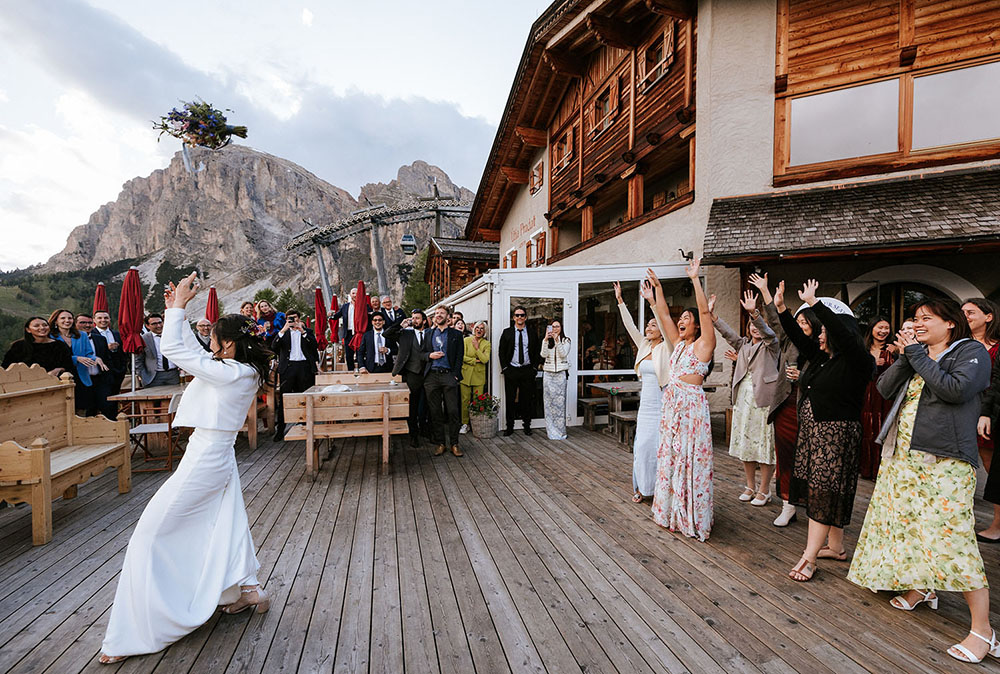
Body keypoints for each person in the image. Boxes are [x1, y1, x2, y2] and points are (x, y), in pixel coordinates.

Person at [99, 273, 273, 664]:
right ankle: (247, 592)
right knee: (223, 521)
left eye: (214, 335)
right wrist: (172, 306)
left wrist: (178, 306)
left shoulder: (233, 372)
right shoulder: (239, 368)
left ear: (227, 342)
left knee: (150, 533)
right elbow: (193, 351)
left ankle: (142, 629)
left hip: (208, 458)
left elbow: (178, 348)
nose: (209, 341)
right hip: (213, 454)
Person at [849, 298, 993, 664]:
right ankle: (921, 587)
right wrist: (905, 355)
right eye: (915, 318)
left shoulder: (971, 351)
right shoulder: (917, 354)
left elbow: (955, 390)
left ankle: (984, 631)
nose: (918, 322)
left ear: (951, 324)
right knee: (910, 528)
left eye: (927, 318)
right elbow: (882, 388)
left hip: (945, 461)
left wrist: (916, 353)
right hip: (905, 459)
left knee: (953, 540)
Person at [776, 280, 874, 582]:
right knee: (831, 492)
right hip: (815, 435)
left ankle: (808, 558)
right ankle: (835, 547)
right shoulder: (822, 358)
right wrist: (781, 307)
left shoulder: (858, 360)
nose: (819, 335)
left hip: (835, 437)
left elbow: (847, 336)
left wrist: (817, 303)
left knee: (823, 494)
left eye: (823, 331)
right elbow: (796, 335)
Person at [648, 261, 716, 541]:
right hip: (673, 408)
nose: (681, 320)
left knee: (690, 460)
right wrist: (658, 290)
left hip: (691, 409)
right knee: (672, 458)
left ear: (698, 325)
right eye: (682, 318)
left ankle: (691, 512)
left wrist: (695, 279)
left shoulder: (704, 345)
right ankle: (671, 510)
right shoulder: (679, 345)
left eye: (687, 317)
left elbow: (702, 310)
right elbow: (664, 315)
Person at [748, 274, 822, 527]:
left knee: (810, 459)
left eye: (804, 322)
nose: (800, 325)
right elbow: (777, 322)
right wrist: (767, 294)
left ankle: (812, 504)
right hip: (785, 407)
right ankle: (788, 504)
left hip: (811, 409)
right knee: (786, 457)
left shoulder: (822, 349)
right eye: (797, 321)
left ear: (815, 325)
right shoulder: (789, 342)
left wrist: (804, 377)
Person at [712, 289, 780, 507]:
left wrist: (755, 314)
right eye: (751, 326)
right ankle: (750, 486)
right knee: (746, 445)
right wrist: (714, 317)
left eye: (757, 325)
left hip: (763, 401)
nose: (755, 329)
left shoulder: (772, 346)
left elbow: (769, 334)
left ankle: (764, 489)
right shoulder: (744, 345)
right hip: (744, 401)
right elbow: (728, 334)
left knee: (763, 446)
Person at [617, 280, 672, 504]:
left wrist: (652, 303)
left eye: (652, 326)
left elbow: (664, 321)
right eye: (647, 326)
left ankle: (660, 488)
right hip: (646, 406)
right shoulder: (644, 345)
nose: (648, 329)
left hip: (662, 404)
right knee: (641, 447)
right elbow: (630, 326)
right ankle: (641, 487)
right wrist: (620, 301)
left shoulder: (667, 346)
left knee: (659, 448)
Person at [963, 298, 1000, 541]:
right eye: (962, 312)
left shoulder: (997, 348)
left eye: (970, 312)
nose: (965, 316)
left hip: (988, 414)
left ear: (989, 317)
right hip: (961, 410)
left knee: (993, 467)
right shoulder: (960, 345)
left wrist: (986, 413)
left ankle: (997, 525)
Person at [421, 306, 464, 457]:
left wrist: (456, 375)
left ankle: (454, 443)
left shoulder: (456, 335)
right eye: (437, 313)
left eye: (442, 313)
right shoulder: (428, 333)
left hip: (449, 376)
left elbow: (460, 356)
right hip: (431, 376)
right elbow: (420, 354)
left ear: (448, 317)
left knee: (452, 411)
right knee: (435, 412)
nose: (438, 315)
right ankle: (440, 443)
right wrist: (429, 356)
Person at [270, 310, 319, 441]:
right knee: (284, 399)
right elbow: (273, 346)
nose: (292, 321)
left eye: (295, 318)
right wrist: (283, 330)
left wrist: (302, 332)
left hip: (304, 367)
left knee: (305, 397)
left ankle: (305, 425)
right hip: (288, 368)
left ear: (299, 319)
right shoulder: (283, 333)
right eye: (289, 319)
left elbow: (314, 346)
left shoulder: (307, 332)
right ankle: (280, 430)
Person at [859, 316, 897, 480]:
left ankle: (879, 470)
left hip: (885, 396)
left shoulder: (893, 349)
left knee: (882, 429)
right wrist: (870, 363)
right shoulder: (863, 348)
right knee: (866, 429)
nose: (883, 331)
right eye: (879, 327)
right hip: (865, 394)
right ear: (871, 328)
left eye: (886, 328)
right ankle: (865, 468)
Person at [50, 309, 106, 415]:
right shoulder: (50, 337)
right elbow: (54, 359)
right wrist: (77, 359)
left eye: (70, 318)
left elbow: (88, 353)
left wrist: (96, 358)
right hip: (60, 377)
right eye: (63, 318)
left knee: (82, 409)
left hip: (81, 377)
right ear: (56, 321)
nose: (67, 320)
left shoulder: (82, 335)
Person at [390, 310, 430, 447]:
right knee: (412, 405)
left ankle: (425, 430)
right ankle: (413, 434)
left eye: (417, 318)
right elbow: (387, 333)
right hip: (412, 373)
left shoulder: (430, 333)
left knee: (426, 405)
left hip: (428, 374)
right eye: (413, 318)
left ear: (424, 321)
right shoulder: (405, 333)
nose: (414, 320)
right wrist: (401, 325)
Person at [499, 306, 541, 436]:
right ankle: (509, 426)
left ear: (526, 317)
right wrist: (505, 368)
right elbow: (501, 352)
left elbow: (536, 352)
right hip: (512, 370)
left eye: (522, 315)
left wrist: (534, 368)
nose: (520, 317)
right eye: (517, 315)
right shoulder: (507, 332)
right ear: (513, 318)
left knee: (526, 399)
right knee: (510, 399)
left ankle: (526, 425)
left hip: (527, 370)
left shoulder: (532, 333)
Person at [2, 316, 74, 376]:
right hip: (25, 386)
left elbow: (69, 366)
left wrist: (58, 369)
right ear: (28, 330)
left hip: (55, 385)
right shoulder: (19, 346)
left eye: (45, 325)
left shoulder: (59, 345)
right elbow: (6, 367)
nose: (42, 328)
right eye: (36, 326)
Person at [77, 313, 115, 418]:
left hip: (101, 380)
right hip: (81, 382)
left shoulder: (100, 339)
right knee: (88, 411)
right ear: (75, 324)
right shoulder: (71, 340)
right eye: (83, 322)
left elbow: (107, 359)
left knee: (108, 409)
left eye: (89, 322)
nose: (87, 325)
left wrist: (110, 378)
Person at [540, 319, 571, 440]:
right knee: (548, 404)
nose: (555, 329)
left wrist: (557, 341)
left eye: (557, 326)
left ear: (561, 327)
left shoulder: (566, 340)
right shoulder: (548, 341)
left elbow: (563, 354)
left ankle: (560, 432)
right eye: (553, 327)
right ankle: (551, 432)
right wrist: (545, 340)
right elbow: (543, 354)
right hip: (548, 374)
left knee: (559, 405)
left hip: (560, 374)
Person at [460, 321, 491, 434]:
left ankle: (476, 423)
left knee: (478, 400)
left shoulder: (486, 344)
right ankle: (465, 423)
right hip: (465, 375)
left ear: (485, 331)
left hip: (479, 376)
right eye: (477, 328)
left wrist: (477, 348)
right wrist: (474, 360)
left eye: (482, 328)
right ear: (474, 329)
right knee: (465, 400)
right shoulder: (466, 340)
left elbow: (485, 359)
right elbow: (461, 356)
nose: (479, 330)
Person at [140, 314, 181, 387]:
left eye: (160, 322)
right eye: (154, 324)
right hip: (154, 377)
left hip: (174, 375)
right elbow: (138, 360)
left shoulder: (172, 335)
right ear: (147, 326)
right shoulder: (144, 339)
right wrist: (144, 376)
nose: (158, 326)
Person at [94, 310, 126, 397]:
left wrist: (123, 368)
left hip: (117, 371)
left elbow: (122, 352)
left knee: (115, 396)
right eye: (99, 318)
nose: (103, 320)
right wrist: (106, 348)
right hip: (101, 372)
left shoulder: (116, 334)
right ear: (94, 320)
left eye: (106, 318)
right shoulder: (92, 334)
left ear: (109, 319)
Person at [331, 287, 363, 370]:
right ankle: (351, 372)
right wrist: (330, 314)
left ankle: (362, 371)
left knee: (360, 353)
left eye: (356, 293)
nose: (355, 295)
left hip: (359, 333)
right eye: (353, 293)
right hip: (348, 333)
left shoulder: (363, 305)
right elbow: (336, 316)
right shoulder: (345, 306)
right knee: (349, 355)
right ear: (350, 295)